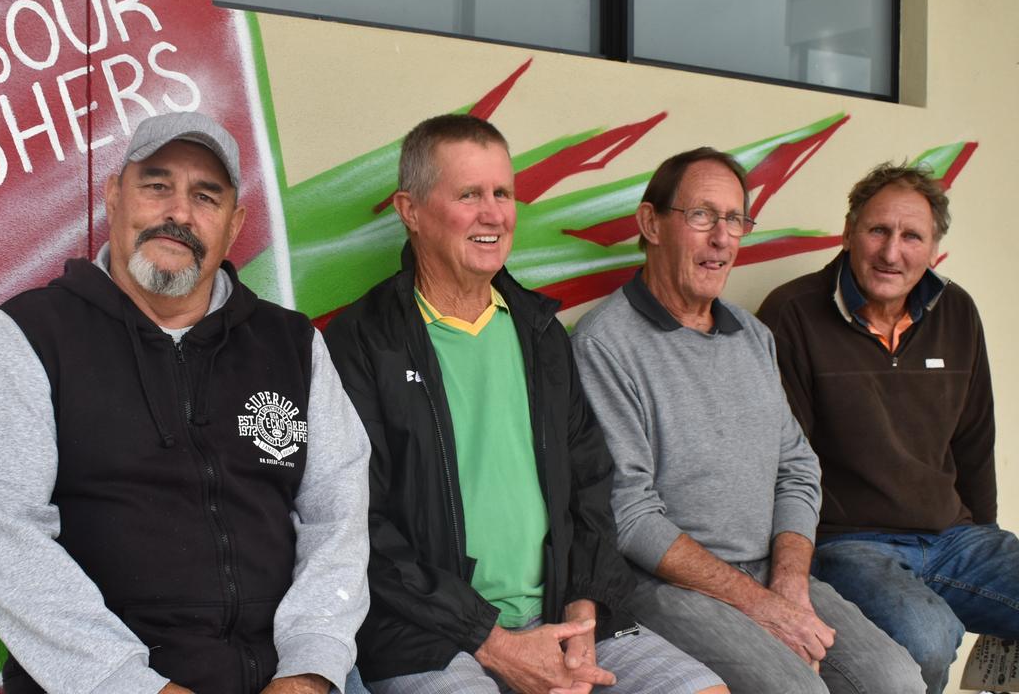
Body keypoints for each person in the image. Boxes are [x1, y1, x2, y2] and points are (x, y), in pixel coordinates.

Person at [0, 111, 371, 694]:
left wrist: (310, 669)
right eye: (157, 185)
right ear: (114, 196)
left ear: (234, 224)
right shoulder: (29, 338)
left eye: (206, 196)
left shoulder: (292, 346)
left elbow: (337, 516)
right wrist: (131, 685)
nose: (179, 213)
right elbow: (1, 537)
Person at [325, 114, 728, 694]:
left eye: (502, 193)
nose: (493, 214)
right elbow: (360, 525)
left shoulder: (539, 331)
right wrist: (495, 642)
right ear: (410, 211)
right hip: (431, 634)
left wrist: (584, 616)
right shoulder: (364, 341)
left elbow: (592, 484)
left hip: (568, 612)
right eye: (469, 194)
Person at [571, 147, 924, 693]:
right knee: (796, 690)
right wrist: (762, 606)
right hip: (663, 586)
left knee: (897, 680)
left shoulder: (751, 335)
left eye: (735, 219)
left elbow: (797, 468)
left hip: (770, 573)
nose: (722, 238)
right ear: (651, 224)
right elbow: (630, 516)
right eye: (702, 216)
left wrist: (788, 586)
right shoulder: (604, 344)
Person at [757, 163, 1019, 694]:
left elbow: (974, 439)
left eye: (911, 236)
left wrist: (986, 538)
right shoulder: (793, 313)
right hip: (847, 543)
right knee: (927, 638)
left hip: (952, 537)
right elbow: (783, 462)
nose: (891, 252)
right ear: (850, 231)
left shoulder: (957, 311)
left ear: (934, 249)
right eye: (878, 230)